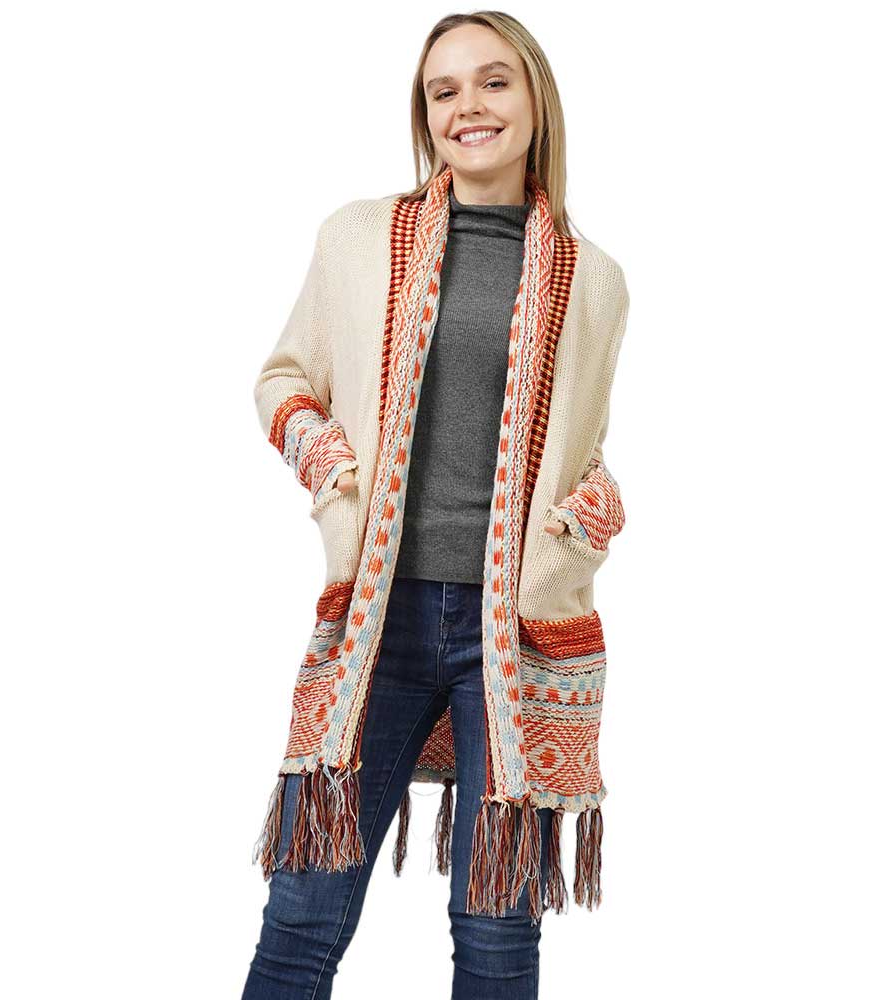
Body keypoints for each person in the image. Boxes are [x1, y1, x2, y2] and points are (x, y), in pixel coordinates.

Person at [242, 11, 630, 1000]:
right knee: (303, 917)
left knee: (496, 934)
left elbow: (580, 449)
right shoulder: (358, 238)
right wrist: (331, 470)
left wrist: (588, 518)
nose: (468, 107)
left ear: (535, 99)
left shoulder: (592, 280)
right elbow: (284, 380)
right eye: (442, 90)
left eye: (493, 82)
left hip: (515, 634)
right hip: (380, 621)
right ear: (425, 115)